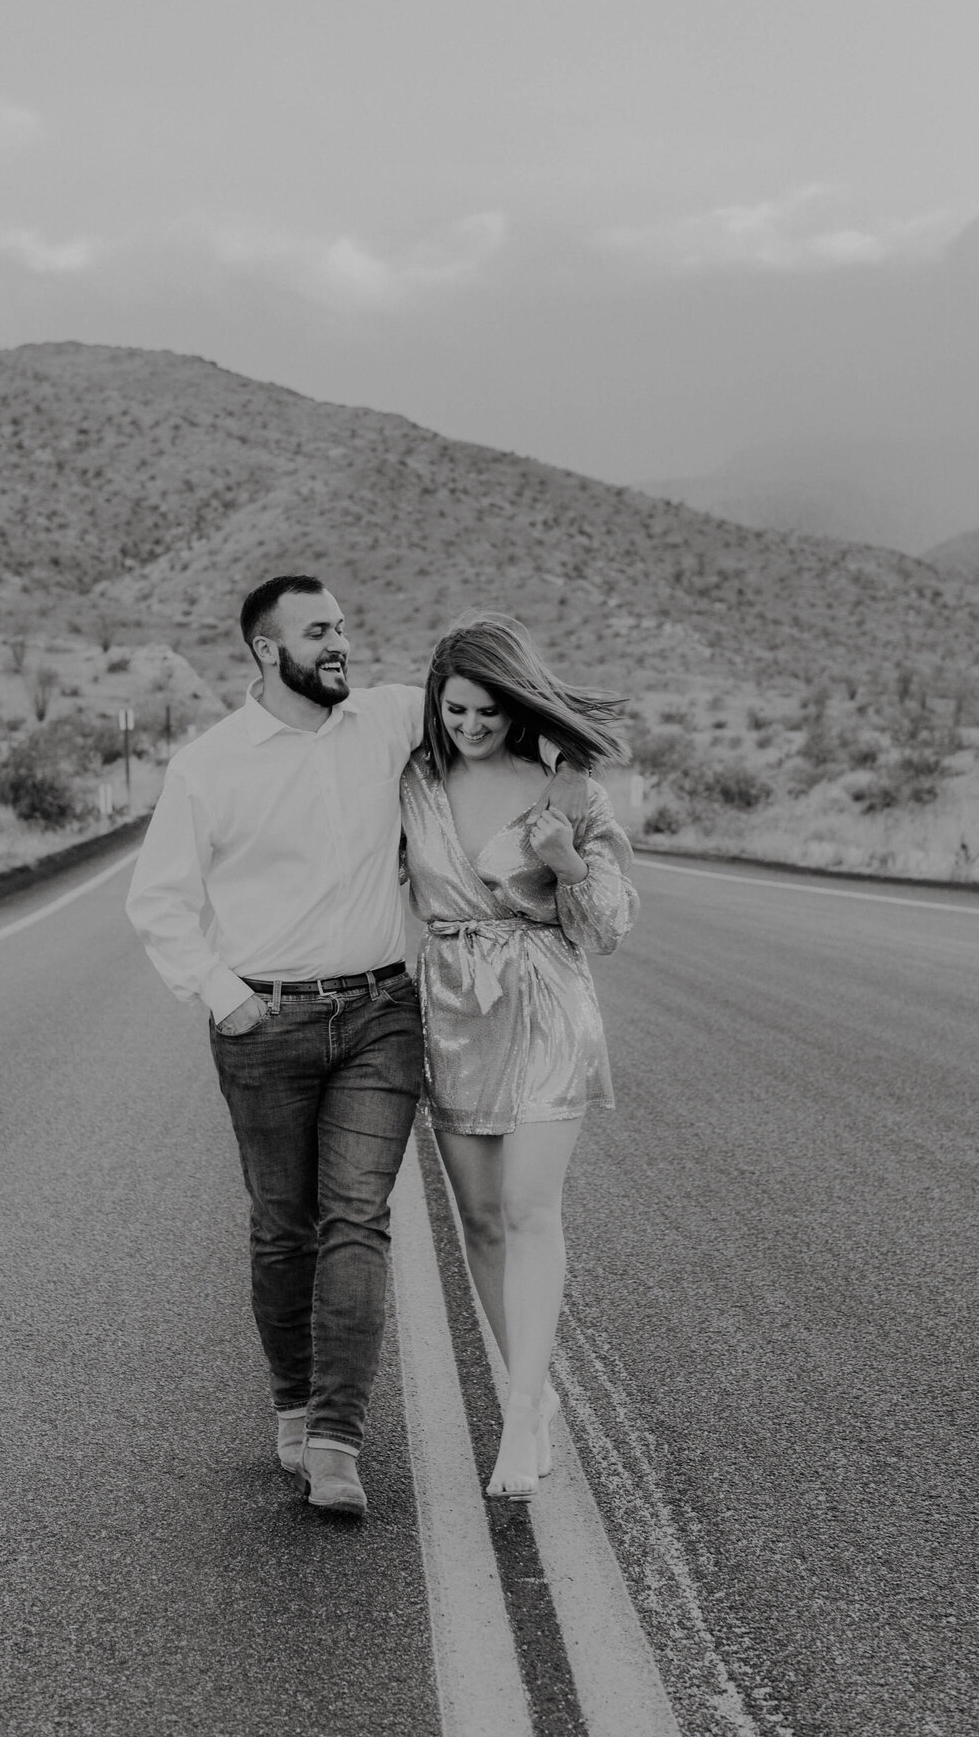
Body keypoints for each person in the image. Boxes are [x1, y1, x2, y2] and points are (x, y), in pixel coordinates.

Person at [125, 575, 586, 1518]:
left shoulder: (385, 723)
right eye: (320, 632)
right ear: (267, 648)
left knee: (356, 1221)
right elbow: (158, 904)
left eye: (343, 626)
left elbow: (484, 717)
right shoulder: (210, 767)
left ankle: (337, 1440)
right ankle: (293, 1408)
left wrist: (564, 778)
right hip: (264, 1025)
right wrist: (226, 999)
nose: (341, 644)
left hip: (381, 1012)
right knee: (282, 1228)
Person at [400, 613, 638, 1500]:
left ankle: (520, 1406)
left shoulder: (568, 789)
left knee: (531, 1209)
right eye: (455, 710)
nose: (469, 727)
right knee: (483, 1221)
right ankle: (530, 1405)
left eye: (486, 713)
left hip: (544, 1000)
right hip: (457, 1008)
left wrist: (565, 863)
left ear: (516, 704)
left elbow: (610, 926)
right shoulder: (415, 785)